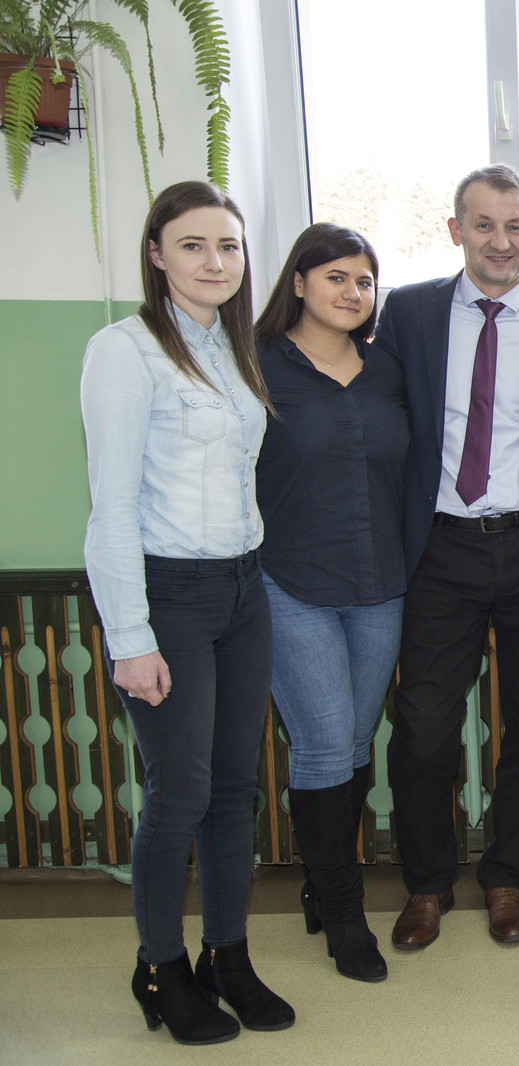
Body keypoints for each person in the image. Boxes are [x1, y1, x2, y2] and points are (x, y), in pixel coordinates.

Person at [82, 180, 294, 1044]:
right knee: (180, 794)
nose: (215, 261)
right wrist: (130, 637)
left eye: (229, 246)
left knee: (234, 792)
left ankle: (227, 957)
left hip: (243, 591)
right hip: (166, 595)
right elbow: (111, 509)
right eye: (194, 245)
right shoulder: (124, 352)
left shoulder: (235, 351)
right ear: (157, 255)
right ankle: (160, 967)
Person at [375, 164, 519, 950]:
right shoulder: (409, 312)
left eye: (515, 226)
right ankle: (428, 884)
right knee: (423, 728)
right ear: (455, 229)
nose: (501, 241)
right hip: (441, 548)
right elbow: (378, 416)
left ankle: (505, 876)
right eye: (484, 224)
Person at [254, 223, 407, 982]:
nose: (352, 292)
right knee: (320, 744)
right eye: (336, 277)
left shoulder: (389, 370)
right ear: (299, 282)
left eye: (364, 281)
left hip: (381, 585)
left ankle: (321, 885)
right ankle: (347, 920)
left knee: (351, 745)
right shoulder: (255, 365)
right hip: (290, 582)